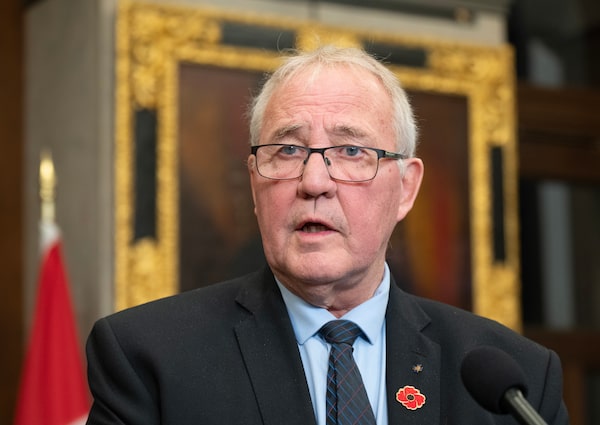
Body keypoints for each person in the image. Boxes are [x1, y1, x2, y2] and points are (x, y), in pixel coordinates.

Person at [85, 45, 568, 425]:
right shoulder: (149, 358)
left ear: (406, 188)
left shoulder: (518, 382)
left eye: (351, 151)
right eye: (287, 150)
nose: (314, 182)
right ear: (254, 184)